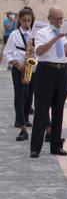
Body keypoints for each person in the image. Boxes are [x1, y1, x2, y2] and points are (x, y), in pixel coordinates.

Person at [30, 7, 67, 158]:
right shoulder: (42, 33)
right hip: (46, 70)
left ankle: (56, 146)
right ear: (50, 18)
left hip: (63, 71)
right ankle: (35, 147)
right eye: (56, 18)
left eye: (62, 18)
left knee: (58, 109)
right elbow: (39, 51)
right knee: (41, 109)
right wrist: (56, 38)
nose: (60, 21)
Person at [3, 8, 35, 141]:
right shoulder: (14, 35)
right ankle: (21, 126)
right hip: (19, 68)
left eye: (29, 20)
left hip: (32, 67)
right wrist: (17, 64)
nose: (26, 23)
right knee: (20, 96)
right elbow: (7, 53)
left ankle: (25, 119)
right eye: (24, 20)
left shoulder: (34, 34)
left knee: (29, 95)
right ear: (19, 20)